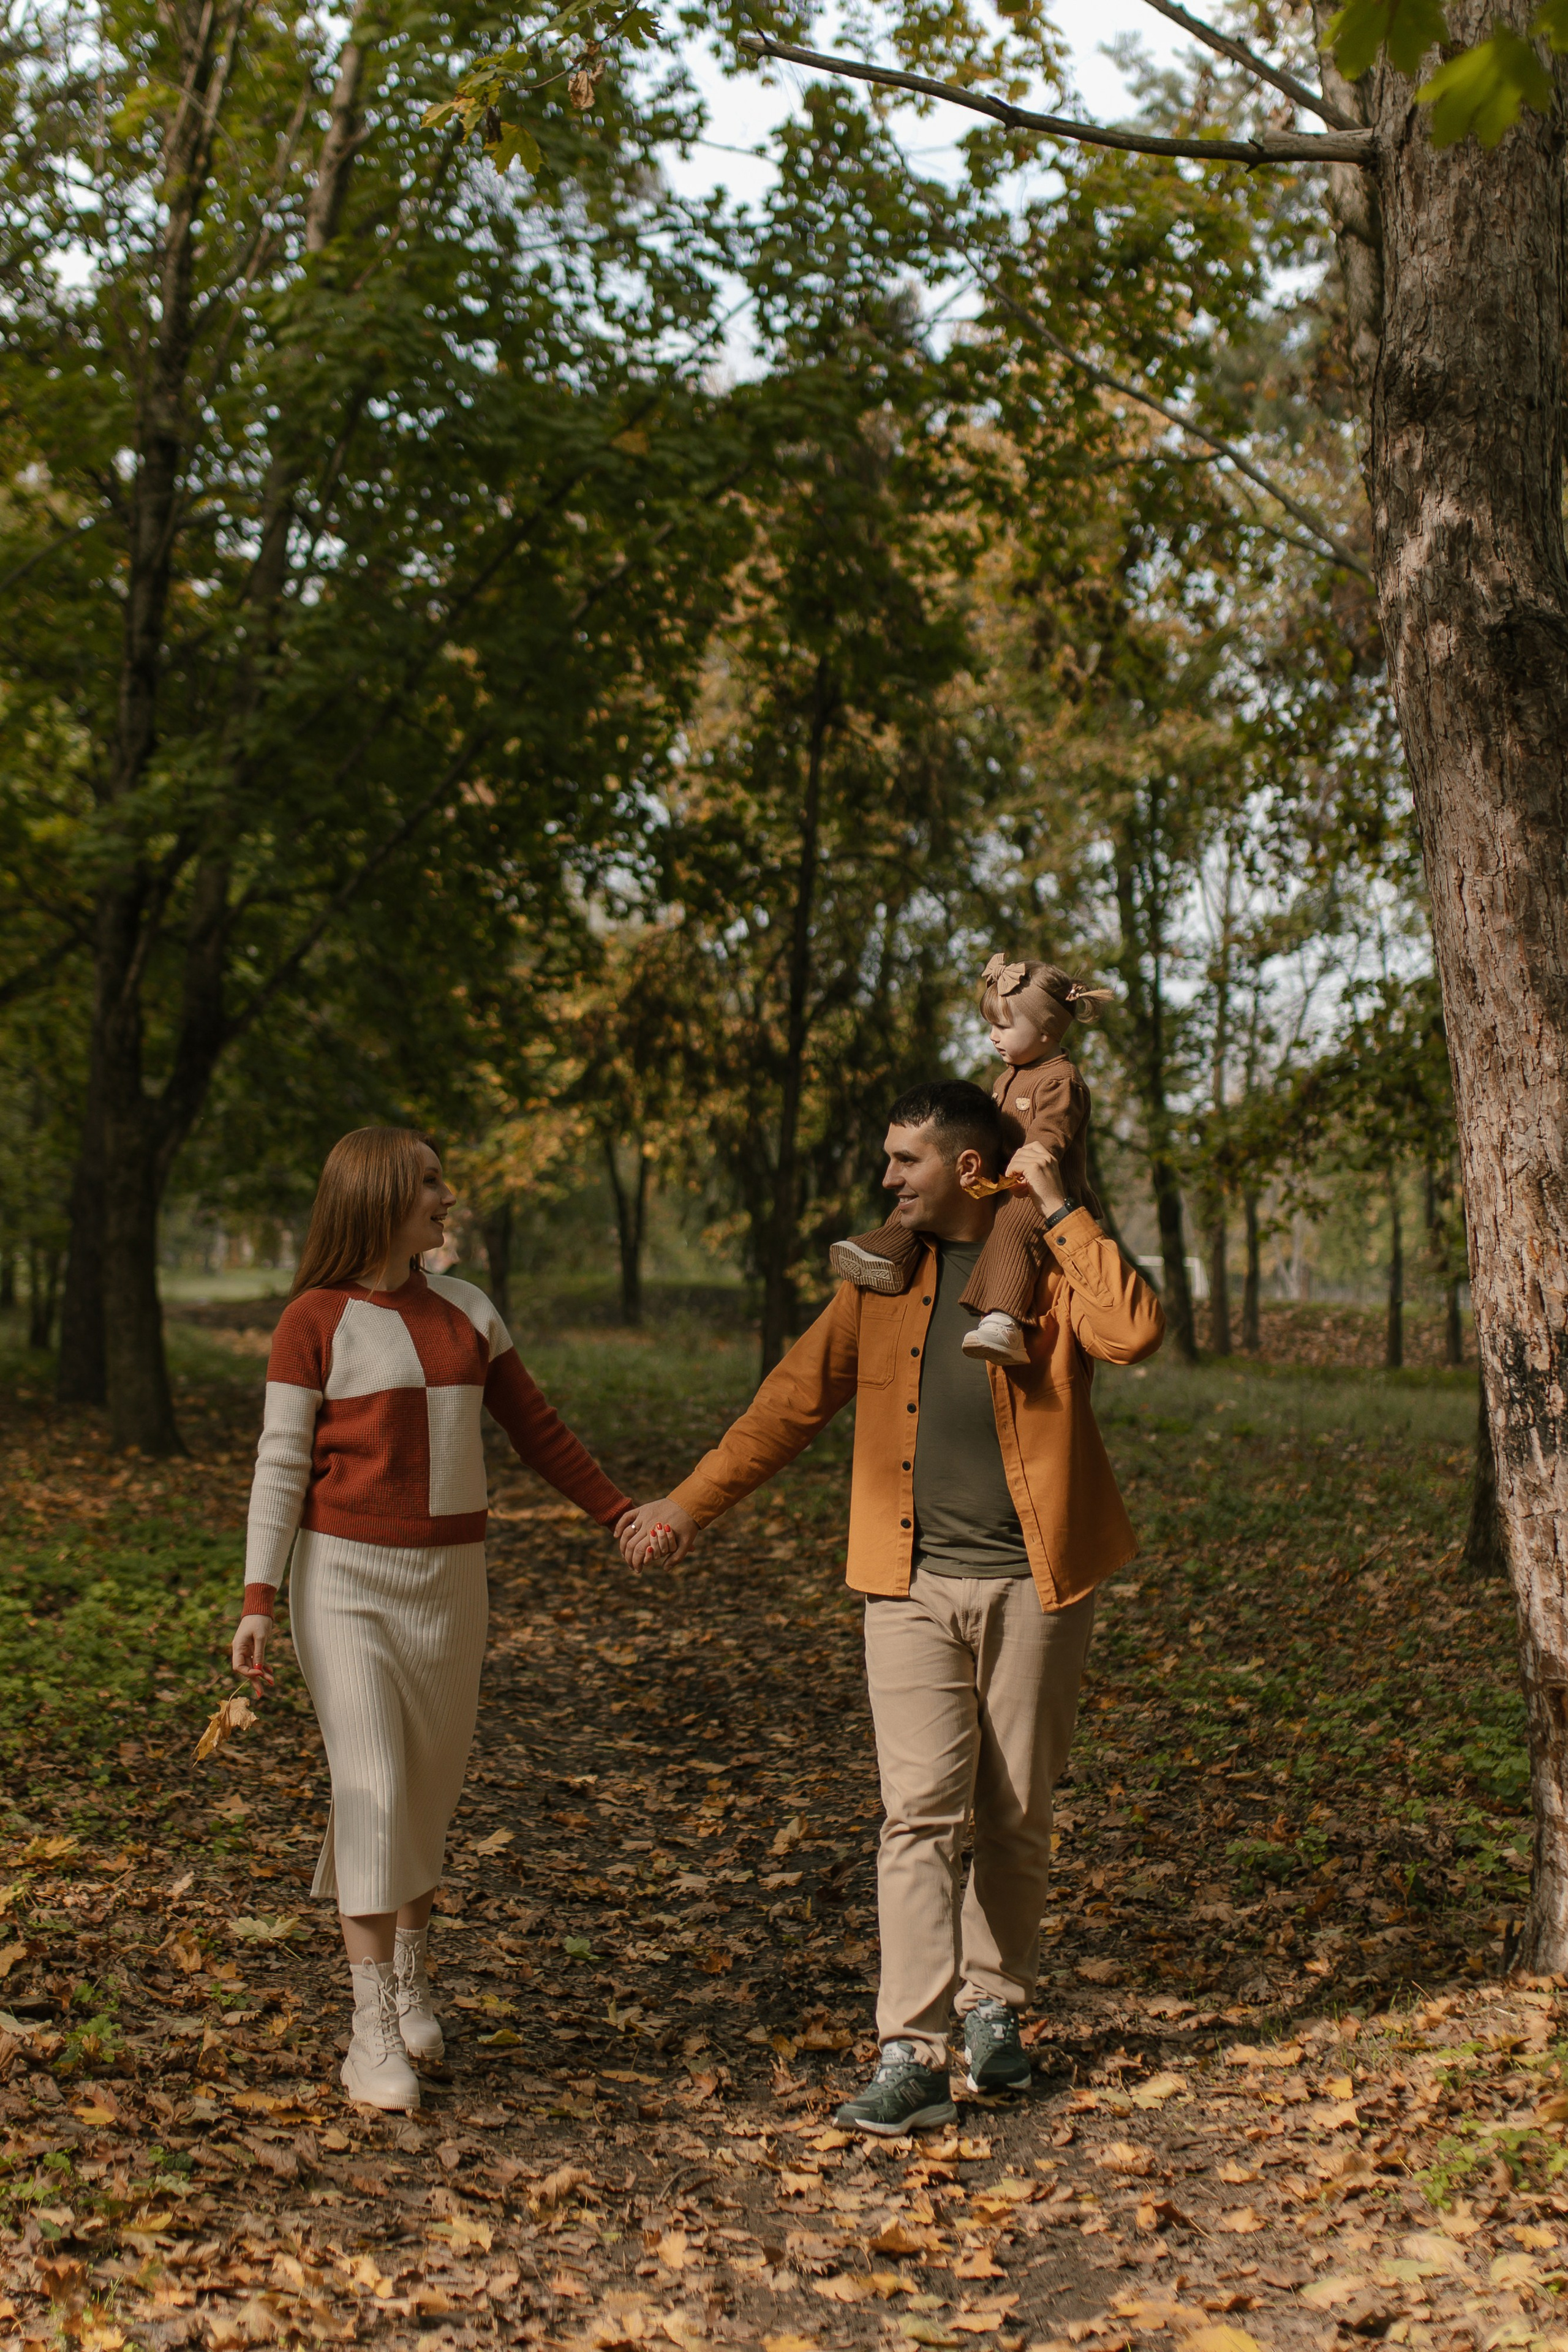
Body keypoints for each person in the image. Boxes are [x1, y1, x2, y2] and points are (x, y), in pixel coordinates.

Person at [620, 1080, 1163, 2135]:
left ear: (967, 1168)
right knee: (918, 1815)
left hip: (1036, 1583)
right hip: (906, 1586)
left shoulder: (1047, 1262)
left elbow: (1133, 1334)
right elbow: (790, 1400)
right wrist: (688, 1506)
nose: (884, 1179)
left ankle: (994, 2013)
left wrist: (1058, 1204)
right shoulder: (883, 1278)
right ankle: (912, 2048)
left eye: (902, 1160)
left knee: (1015, 1813)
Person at [230, 1128, 636, 2113]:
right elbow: (282, 1463)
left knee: (427, 1790)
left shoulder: (469, 1311)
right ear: (379, 1198)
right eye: (430, 1185)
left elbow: (538, 1432)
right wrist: (257, 1599)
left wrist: (620, 1513)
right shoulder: (313, 1320)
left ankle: (412, 1980)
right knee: (369, 1782)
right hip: (345, 1582)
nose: (447, 1198)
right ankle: (369, 2029)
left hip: (454, 1582)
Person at [828, 957, 1113, 1366]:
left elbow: (1050, 1135)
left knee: (1014, 1225)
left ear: (1047, 1030)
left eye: (1003, 1026)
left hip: (1039, 1188)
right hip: (1001, 1174)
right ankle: (886, 1252)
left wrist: (1027, 1166)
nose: (993, 1037)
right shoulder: (1007, 1075)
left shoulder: (1060, 1081)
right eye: (990, 1026)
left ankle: (1004, 1320)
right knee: (934, 1191)